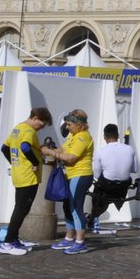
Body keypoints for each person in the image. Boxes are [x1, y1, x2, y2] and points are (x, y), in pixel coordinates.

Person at [0, 106, 52, 255]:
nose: (40, 128)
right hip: (28, 176)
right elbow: (25, 147)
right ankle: (7, 242)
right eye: (40, 124)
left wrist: (14, 163)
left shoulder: (18, 128)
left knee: (20, 208)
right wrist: (34, 162)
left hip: (19, 173)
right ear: (35, 118)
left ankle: (14, 239)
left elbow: (4, 148)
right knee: (21, 209)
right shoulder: (28, 130)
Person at [48, 109, 95, 254]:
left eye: (69, 125)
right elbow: (63, 149)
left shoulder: (83, 137)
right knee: (67, 207)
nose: (67, 128)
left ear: (79, 124)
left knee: (75, 207)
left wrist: (51, 153)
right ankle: (69, 238)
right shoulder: (73, 136)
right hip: (70, 175)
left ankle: (80, 241)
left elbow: (71, 158)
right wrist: (45, 149)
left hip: (80, 175)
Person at [92, 122, 137, 228]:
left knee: (100, 186)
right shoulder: (129, 149)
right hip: (122, 188)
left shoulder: (101, 152)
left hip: (106, 187)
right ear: (118, 136)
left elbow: (97, 175)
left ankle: (94, 216)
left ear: (104, 137)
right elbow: (135, 169)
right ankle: (94, 216)